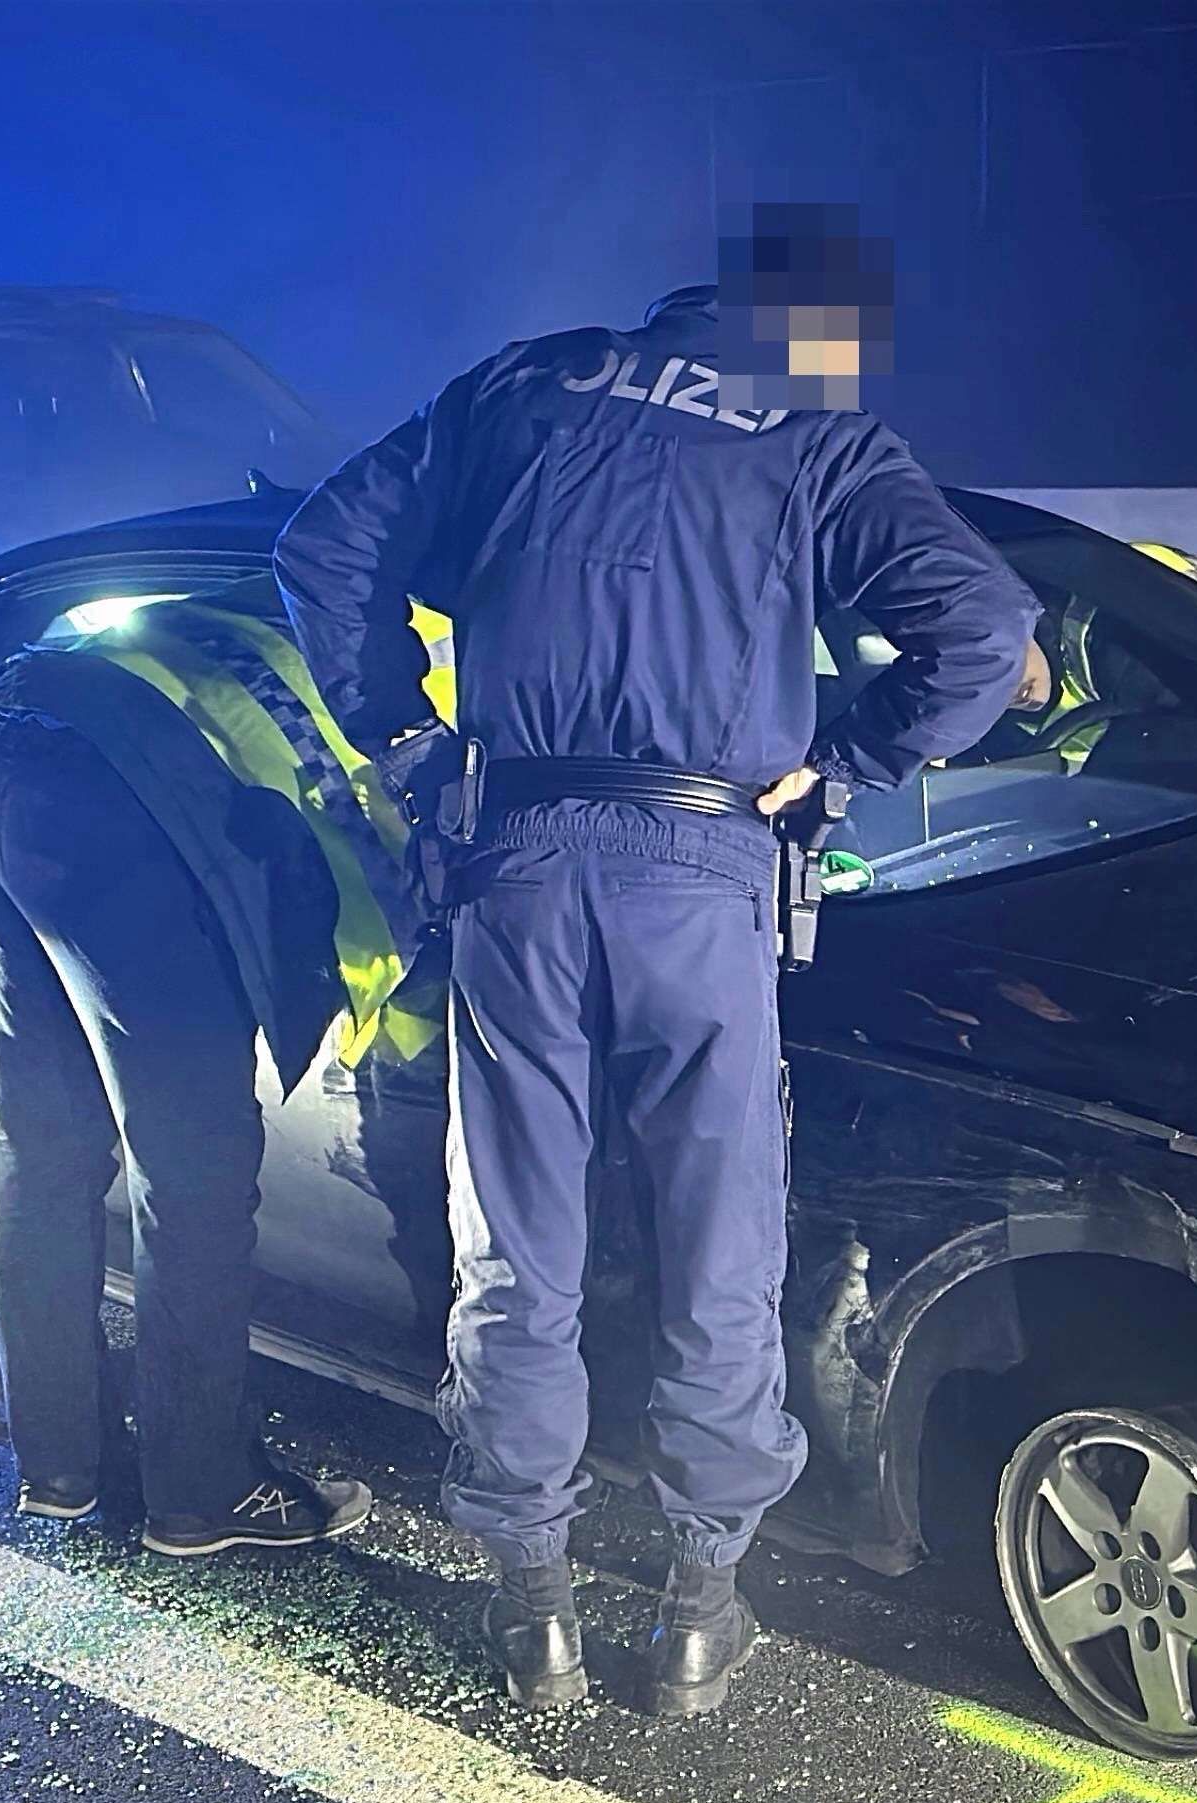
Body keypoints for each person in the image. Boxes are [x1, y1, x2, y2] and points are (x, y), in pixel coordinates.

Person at [276, 208, 1037, 1713]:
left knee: (517, 1245)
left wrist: (408, 731)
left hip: (519, 863)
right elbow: (985, 630)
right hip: (700, 874)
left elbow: (325, 542)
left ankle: (534, 1606)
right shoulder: (818, 435)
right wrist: (843, 765)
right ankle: (698, 1606)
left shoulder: (530, 383)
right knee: (716, 1240)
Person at [0, 596, 399, 1561]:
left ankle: (58, 1463)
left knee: (41, 1154)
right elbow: (376, 870)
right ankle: (202, 1491)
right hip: (109, 813)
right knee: (193, 1176)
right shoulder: (401, 670)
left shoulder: (249, 613)